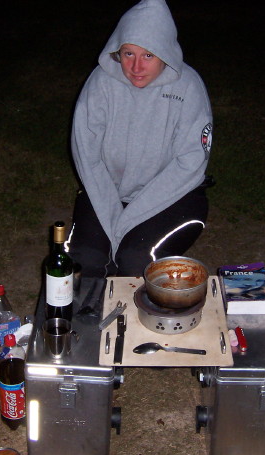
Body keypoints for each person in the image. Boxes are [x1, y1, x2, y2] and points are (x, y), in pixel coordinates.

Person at [67, 0, 213, 278]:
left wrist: (128, 220)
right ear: (116, 51)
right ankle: (91, 320)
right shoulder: (101, 82)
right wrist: (112, 213)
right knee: (88, 259)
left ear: (166, 53)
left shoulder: (189, 87)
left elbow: (189, 164)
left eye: (148, 55)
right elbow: (86, 154)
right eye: (128, 53)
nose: (135, 67)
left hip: (173, 196)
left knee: (136, 261)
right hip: (108, 191)